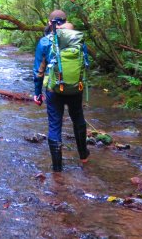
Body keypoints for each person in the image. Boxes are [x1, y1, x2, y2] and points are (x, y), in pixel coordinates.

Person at [33, 10, 90, 172]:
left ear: (49, 22)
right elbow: (86, 63)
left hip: (54, 90)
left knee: (55, 125)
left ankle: (57, 168)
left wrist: (37, 93)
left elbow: (38, 71)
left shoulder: (45, 42)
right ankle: (84, 155)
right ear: (65, 21)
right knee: (78, 118)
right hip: (75, 88)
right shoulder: (78, 40)